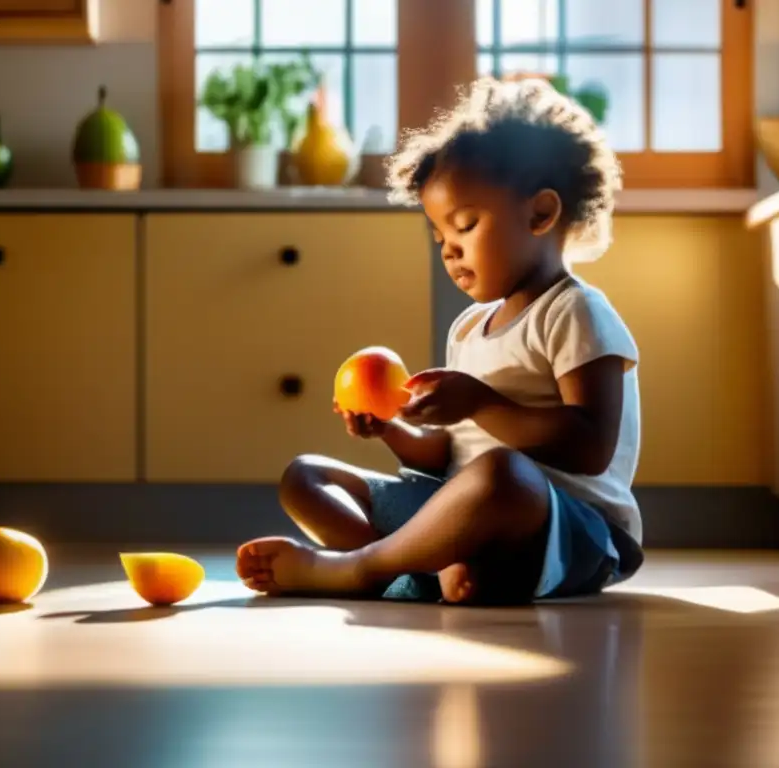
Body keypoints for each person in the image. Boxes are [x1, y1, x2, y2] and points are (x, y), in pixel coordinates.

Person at [237, 75, 644, 604]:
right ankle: (415, 572)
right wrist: (392, 429)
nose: (450, 252)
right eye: (440, 237)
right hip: (462, 509)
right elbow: (448, 457)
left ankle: (360, 568)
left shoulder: (575, 311)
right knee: (306, 476)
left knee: (503, 476)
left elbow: (590, 447)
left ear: (540, 213)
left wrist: (478, 400)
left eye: (467, 226)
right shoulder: (470, 327)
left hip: (569, 529)